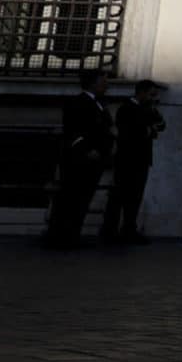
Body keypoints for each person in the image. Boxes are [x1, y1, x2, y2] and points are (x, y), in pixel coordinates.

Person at [43, 69, 113, 249]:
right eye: (103, 81)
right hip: (78, 160)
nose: (107, 85)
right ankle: (60, 235)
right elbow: (73, 130)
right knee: (70, 197)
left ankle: (72, 234)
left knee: (82, 199)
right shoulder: (78, 103)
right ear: (93, 83)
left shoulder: (100, 104)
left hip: (96, 159)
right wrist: (87, 150)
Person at [101, 80, 165, 244]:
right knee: (119, 196)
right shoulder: (126, 108)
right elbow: (129, 132)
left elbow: (161, 124)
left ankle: (129, 230)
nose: (153, 99)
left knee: (135, 197)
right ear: (141, 92)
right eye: (151, 95)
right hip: (127, 159)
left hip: (142, 159)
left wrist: (150, 128)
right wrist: (149, 130)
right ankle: (110, 231)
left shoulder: (148, 109)